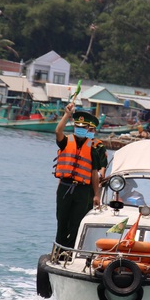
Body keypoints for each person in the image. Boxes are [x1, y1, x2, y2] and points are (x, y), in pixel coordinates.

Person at [53, 102, 101, 249]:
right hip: (65, 187)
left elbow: (94, 174)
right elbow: (57, 131)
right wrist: (67, 115)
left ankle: (70, 252)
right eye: (77, 127)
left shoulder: (93, 149)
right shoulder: (66, 141)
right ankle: (58, 252)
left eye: (83, 127)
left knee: (77, 224)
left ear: (88, 129)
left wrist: (96, 195)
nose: (80, 129)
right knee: (62, 222)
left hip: (82, 190)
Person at [85, 124, 108, 211]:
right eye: (88, 130)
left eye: (91, 130)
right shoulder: (78, 144)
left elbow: (103, 167)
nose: (89, 132)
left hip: (94, 180)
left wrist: (98, 181)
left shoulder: (99, 146)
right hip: (80, 180)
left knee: (90, 207)